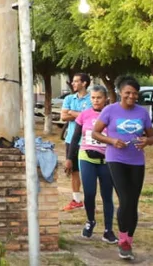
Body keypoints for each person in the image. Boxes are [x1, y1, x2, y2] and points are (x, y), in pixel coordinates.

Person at [91, 76, 153, 261]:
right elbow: (95, 133)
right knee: (125, 198)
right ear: (120, 92)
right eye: (128, 92)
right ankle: (122, 239)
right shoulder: (110, 110)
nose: (132, 96)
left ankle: (128, 241)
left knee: (133, 203)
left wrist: (146, 141)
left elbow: (152, 137)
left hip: (137, 161)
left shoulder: (142, 113)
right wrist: (112, 140)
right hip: (115, 159)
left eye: (135, 93)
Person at [67, 85, 116, 243]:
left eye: (99, 98)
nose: (95, 101)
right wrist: (69, 158)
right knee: (89, 193)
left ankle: (108, 230)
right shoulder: (84, 115)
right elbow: (75, 138)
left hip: (106, 160)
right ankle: (90, 221)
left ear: (105, 99)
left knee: (107, 195)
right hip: (86, 158)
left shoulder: (111, 115)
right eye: (93, 98)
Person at [61, 73, 92, 211]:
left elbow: (90, 117)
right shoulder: (69, 98)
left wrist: (72, 113)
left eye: (76, 81)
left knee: (88, 171)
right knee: (73, 170)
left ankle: (90, 201)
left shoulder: (92, 99)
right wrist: (80, 114)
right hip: (71, 140)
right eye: (73, 81)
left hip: (87, 140)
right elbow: (63, 116)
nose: (73, 84)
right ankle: (76, 200)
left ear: (84, 83)